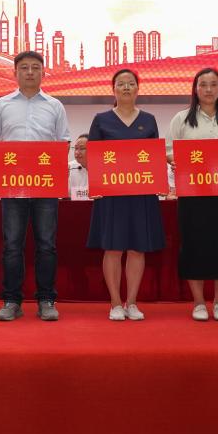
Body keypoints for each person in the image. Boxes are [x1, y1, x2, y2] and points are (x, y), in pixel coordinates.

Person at [0, 51, 70, 321]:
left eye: (35, 67)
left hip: (45, 186)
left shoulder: (55, 106)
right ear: (15, 73)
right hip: (12, 186)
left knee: (46, 245)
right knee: (12, 245)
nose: (30, 72)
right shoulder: (2, 104)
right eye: (24, 68)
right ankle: (12, 301)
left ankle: (46, 299)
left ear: (43, 72)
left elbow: (64, 143)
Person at [86, 70, 165, 321]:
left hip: (141, 193)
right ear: (114, 90)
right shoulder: (101, 120)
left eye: (131, 84)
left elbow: (153, 157)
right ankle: (115, 303)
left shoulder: (149, 120)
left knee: (137, 248)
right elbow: (93, 157)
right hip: (111, 194)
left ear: (138, 89)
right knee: (113, 248)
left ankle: (131, 302)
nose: (127, 87)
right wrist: (96, 185)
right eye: (121, 84)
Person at [168, 68, 218, 322]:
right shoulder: (181, 119)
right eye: (203, 84)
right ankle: (199, 302)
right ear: (195, 89)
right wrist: (177, 160)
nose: (209, 89)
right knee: (194, 245)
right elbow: (169, 151)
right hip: (193, 194)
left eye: (213, 84)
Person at [68, 133, 89, 199]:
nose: (77, 152)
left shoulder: (101, 169)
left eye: (82, 148)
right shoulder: (70, 167)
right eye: (76, 148)